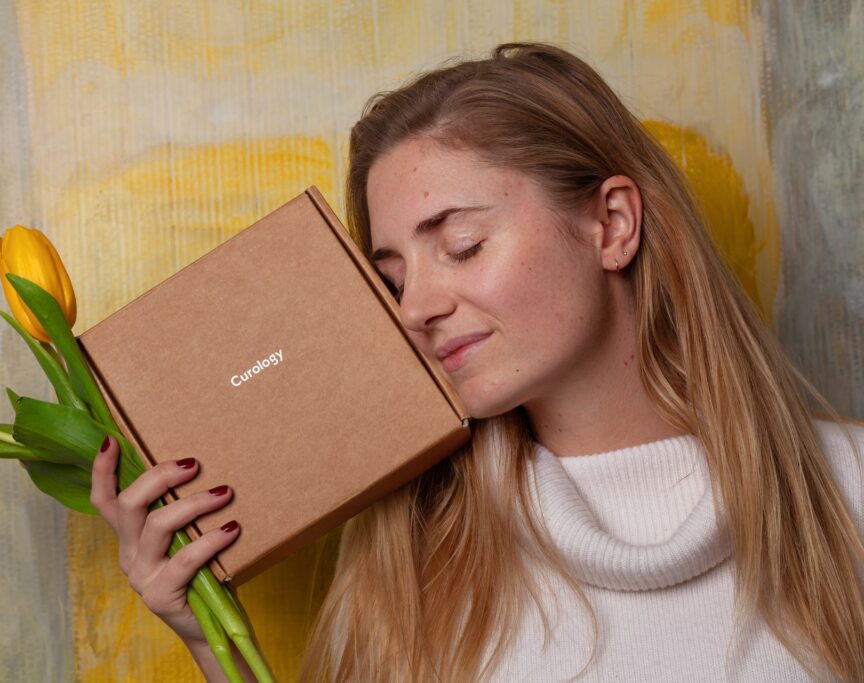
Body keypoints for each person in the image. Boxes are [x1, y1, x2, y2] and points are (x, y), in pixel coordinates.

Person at [89, 42, 864, 682]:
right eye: (392, 278)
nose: (413, 307)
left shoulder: (849, 492)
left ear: (612, 224)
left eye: (460, 245)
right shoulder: (411, 564)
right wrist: (209, 640)